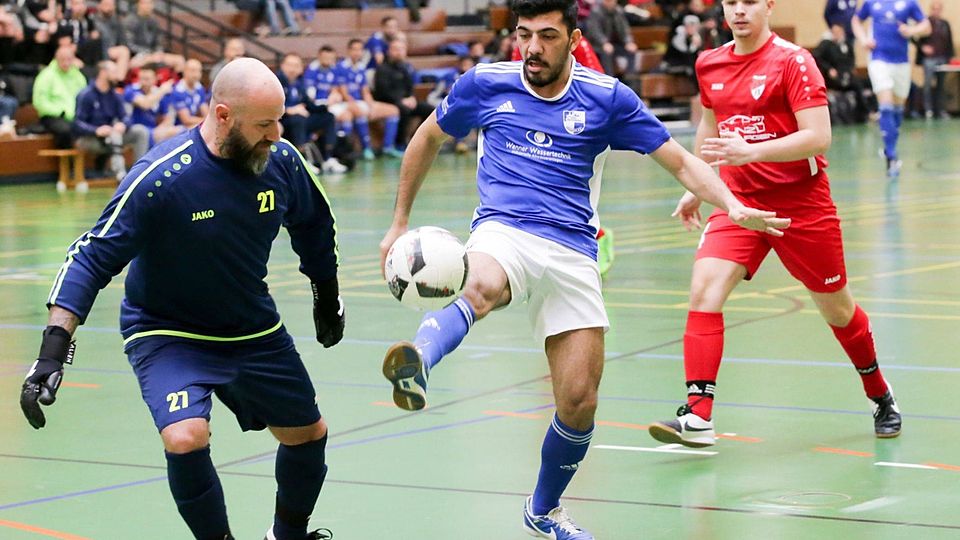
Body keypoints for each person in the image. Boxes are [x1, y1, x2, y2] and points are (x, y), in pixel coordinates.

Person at [377, 0, 787, 537]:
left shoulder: (606, 98)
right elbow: (428, 137)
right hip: (505, 229)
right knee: (479, 283)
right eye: (524, 35)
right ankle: (420, 361)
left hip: (573, 249)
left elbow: (680, 160)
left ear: (572, 40)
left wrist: (730, 205)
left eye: (546, 36)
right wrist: (399, 221)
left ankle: (543, 510)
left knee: (579, 400)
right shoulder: (486, 84)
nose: (532, 49)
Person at [20, 57, 344, 540]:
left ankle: (287, 535)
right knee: (185, 436)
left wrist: (326, 297)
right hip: (167, 330)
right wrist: (51, 352)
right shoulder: (161, 178)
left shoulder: (281, 161)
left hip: (250, 325)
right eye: (264, 123)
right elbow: (90, 258)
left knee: (307, 435)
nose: (276, 133)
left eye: (279, 120)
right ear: (222, 115)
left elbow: (315, 226)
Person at [647, 0, 903, 450]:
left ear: (769, 6)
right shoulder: (710, 63)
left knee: (837, 310)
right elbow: (710, 125)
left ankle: (879, 392)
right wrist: (698, 185)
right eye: (731, 3)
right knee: (704, 289)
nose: (739, 11)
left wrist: (755, 152)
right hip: (739, 202)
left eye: (749, 2)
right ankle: (699, 414)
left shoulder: (794, 62)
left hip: (800, 205)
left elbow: (819, 136)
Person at [852, 0, 929, 178]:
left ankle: (890, 148)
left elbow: (926, 25)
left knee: (897, 110)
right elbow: (856, 20)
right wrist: (863, 39)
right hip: (879, 59)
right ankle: (891, 154)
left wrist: (912, 30)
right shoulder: (871, 3)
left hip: (901, 62)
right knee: (885, 106)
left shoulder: (909, 3)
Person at [73, 60, 149, 178]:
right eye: (113, 71)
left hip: (112, 135)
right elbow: (77, 123)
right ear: (103, 73)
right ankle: (121, 174)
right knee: (113, 138)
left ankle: (139, 174)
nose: (117, 75)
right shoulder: (86, 94)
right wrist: (96, 130)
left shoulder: (115, 95)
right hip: (90, 138)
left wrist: (123, 124)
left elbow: (125, 117)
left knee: (140, 131)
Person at [338, 37, 402, 159]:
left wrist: (371, 104)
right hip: (346, 103)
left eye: (360, 50)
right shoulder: (341, 67)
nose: (357, 52)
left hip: (360, 102)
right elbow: (343, 92)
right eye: (354, 49)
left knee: (394, 110)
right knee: (359, 112)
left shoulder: (361, 67)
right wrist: (355, 104)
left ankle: (388, 147)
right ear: (348, 51)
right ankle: (366, 148)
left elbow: (365, 91)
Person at [373, 38, 433, 148]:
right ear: (389, 51)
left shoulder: (406, 68)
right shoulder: (382, 69)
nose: (398, 52)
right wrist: (400, 100)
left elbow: (410, 87)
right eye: (395, 49)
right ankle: (399, 143)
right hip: (388, 101)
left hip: (405, 100)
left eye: (401, 49)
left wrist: (411, 98)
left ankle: (417, 139)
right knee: (403, 110)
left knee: (430, 110)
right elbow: (382, 91)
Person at [32, 45, 87, 148]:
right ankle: (66, 162)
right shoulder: (46, 75)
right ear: (56, 59)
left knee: (99, 126)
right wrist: (61, 112)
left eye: (69, 59)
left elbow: (84, 98)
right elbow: (39, 102)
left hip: (75, 116)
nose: (66, 63)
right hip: (53, 116)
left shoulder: (78, 76)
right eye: (62, 59)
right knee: (65, 130)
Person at [915, 0, 954, 120]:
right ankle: (928, 110)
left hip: (942, 58)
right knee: (927, 85)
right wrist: (922, 47)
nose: (936, 11)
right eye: (934, 9)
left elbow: (949, 42)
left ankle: (940, 110)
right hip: (929, 60)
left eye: (938, 9)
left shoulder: (945, 24)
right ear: (931, 9)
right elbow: (913, 36)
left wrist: (950, 58)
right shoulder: (925, 23)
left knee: (941, 86)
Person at [584, 0, 637, 77]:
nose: (610, 2)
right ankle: (609, 77)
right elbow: (594, 31)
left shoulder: (619, 11)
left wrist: (628, 42)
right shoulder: (595, 11)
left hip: (615, 44)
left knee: (631, 50)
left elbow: (624, 29)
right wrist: (604, 42)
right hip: (598, 45)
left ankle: (630, 78)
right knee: (607, 52)